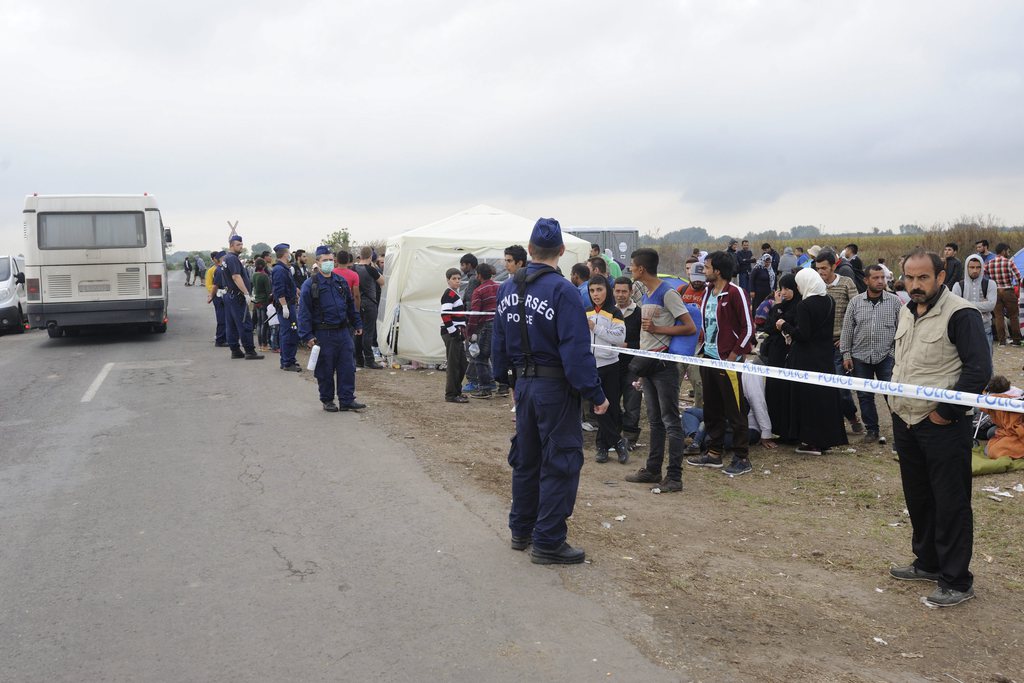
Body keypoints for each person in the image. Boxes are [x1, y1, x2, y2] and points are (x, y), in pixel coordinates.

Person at [492, 218, 609, 564]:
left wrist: (509, 382)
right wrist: (595, 393)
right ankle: (548, 540)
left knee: (526, 460)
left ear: (528, 250)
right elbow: (575, 351)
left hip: (525, 385)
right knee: (560, 461)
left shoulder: (506, 289)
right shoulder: (564, 292)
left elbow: (499, 342)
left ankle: (522, 529)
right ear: (561, 251)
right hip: (554, 387)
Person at [888, 248, 990, 608]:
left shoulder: (962, 314)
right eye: (909, 278)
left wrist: (945, 411)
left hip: (942, 426)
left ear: (941, 276)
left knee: (951, 503)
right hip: (906, 421)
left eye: (923, 278)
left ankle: (956, 580)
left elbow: (978, 370)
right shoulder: (905, 310)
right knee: (919, 498)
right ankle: (927, 563)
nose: (915, 285)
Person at [623, 248, 697, 492]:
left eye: (632, 266)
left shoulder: (668, 293)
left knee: (670, 421)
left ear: (641, 269)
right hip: (648, 364)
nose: (630, 269)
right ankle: (653, 470)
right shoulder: (648, 293)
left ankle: (674, 477)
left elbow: (689, 327)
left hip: (664, 366)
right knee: (655, 420)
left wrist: (658, 329)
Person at [686, 250, 755, 475]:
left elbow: (748, 328)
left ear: (717, 270)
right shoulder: (708, 292)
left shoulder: (736, 293)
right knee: (712, 408)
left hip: (729, 361)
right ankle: (714, 453)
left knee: (735, 410)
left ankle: (741, 457)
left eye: (706, 267)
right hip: (709, 358)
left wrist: (734, 356)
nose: (703, 271)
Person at [776, 269, 848, 455]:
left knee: (807, 399)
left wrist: (784, 325)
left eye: (799, 284)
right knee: (824, 397)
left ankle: (811, 441)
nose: (798, 288)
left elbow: (803, 334)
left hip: (806, 358)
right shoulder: (829, 300)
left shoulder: (805, 305)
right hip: (825, 355)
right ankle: (827, 439)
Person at [297, 246, 365, 412]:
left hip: (343, 331)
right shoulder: (310, 284)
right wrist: (307, 336)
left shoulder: (340, 281)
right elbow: (304, 312)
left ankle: (346, 399)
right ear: (318, 262)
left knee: (347, 367)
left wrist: (357, 323)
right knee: (325, 369)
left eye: (330, 260)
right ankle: (327, 400)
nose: (328, 263)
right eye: (325, 260)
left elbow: (350, 305)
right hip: (323, 333)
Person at [840, 265, 902, 444]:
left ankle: (900, 432)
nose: (881, 281)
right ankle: (872, 430)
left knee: (891, 395)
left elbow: (902, 330)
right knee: (864, 396)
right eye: (875, 278)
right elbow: (847, 330)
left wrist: (894, 354)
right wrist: (846, 354)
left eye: (882, 277)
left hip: (886, 357)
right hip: (860, 357)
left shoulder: (895, 301)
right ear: (866, 280)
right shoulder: (856, 302)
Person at [815, 250, 864, 433]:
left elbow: (857, 312)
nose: (821, 272)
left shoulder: (846, 283)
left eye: (824, 268)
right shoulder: (815, 285)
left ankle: (852, 418)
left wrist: (845, 338)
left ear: (834, 266)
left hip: (839, 344)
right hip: (819, 344)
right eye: (818, 268)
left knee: (841, 388)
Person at [586, 276, 628, 464]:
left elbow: (619, 338)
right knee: (597, 406)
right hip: (590, 365)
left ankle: (604, 446)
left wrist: (596, 328)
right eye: (592, 290)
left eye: (599, 290)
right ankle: (616, 442)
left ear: (607, 291)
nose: (596, 294)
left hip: (610, 365)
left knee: (610, 407)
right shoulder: (585, 312)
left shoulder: (615, 312)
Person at [759, 273, 800, 439]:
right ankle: (775, 427)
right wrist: (777, 306)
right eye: (781, 288)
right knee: (774, 388)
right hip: (775, 352)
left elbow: (790, 326)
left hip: (788, 352)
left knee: (786, 390)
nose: (783, 292)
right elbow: (769, 327)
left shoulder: (799, 306)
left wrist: (782, 321)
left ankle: (788, 430)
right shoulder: (779, 305)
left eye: (787, 288)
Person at [221, 235, 264, 360]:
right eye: (238, 244)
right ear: (231, 245)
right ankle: (250, 351)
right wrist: (246, 293)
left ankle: (235, 350)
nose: (241, 246)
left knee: (231, 324)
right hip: (237, 296)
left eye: (241, 244)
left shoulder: (226, 258)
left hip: (230, 295)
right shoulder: (232, 259)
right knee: (245, 323)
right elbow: (236, 277)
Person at [613, 276, 643, 450]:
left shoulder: (639, 313)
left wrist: (628, 345)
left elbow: (644, 342)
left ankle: (630, 438)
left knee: (632, 403)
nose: (621, 295)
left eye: (624, 291)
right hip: (612, 365)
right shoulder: (609, 312)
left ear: (631, 292)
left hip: (633, 366)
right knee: (612, 401)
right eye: (617, 291)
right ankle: (614, 435)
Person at [952, 254, 996, 355]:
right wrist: (982, 304)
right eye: (972, 267)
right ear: (967, 268)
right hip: (964, 330)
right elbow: (955, 307)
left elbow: (991, 305)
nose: (975, 270)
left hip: (985, 328)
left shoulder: (990, 284)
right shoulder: (958, 286)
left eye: (978, 267)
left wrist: (965, 303)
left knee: (987, 362)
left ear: (982, 268)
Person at [467, 263, 499, 399]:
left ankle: (485, 388)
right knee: (498, 356)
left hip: (486, 326)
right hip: (501, 325)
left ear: (478, 275)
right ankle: (503, 387)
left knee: (480, 357)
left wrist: (470, 332)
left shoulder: (479, 291)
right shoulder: (500, 287)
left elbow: (475, 313)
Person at [439, 268, 469, 404]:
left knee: (462, 364)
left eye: (458, 278)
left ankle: (457, 391)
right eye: (454, 278)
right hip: (451, 334)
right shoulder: (449, 295)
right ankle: (451, 394)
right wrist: (454, 332)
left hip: (456, 333)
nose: (457, 281)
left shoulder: (454, 294)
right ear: (448, 280)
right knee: (453, 365)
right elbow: (445, 314)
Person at [985, 242, 1022, 346]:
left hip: (995, 291)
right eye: (1008, 251)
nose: (1009, 253)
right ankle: (1016, 340)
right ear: (1003, 251)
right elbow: (1018, 277)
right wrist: (1018, 289)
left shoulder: (989, 263)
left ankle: (1002, 341)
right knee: (1013, 316)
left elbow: (984, 276)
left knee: (998, 316)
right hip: (1008, 291)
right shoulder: (1009, 263)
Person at [271, 243, 301, 372]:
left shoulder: (284, 268)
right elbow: (279, 290)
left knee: (291, 331)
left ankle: (289, 359)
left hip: (290, 305)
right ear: (285, 254)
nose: (290, 255)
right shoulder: (279, 270)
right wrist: (284, 307)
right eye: (289, 253)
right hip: (286, 307)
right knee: (289, 333)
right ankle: (287, 362)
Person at [354, 247, 385, 369]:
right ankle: (369, 360)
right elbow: (382, 282)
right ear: (371, 256)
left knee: (358, 332)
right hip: (370, 304)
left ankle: (359, 360)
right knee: (368, 333)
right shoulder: (371, 269)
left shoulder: (354, 268)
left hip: (357, 303)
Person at [205, 251, 227, 347]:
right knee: (221, 318)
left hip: (224, 294)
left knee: (227, 318)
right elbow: (210, 285)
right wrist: (212, 295)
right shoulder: (212, 270)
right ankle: (220, 339)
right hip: (218, 296)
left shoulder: (224, 268)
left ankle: (225, 337)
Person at [251, 258, 272, 352]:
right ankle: (264, 344)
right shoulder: (264, 276)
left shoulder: (254, 275)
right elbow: (268, 291)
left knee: (259, 324)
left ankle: (260, 345)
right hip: (264, 302)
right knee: (264, 323)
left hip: (257, 301)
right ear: (264, 266)